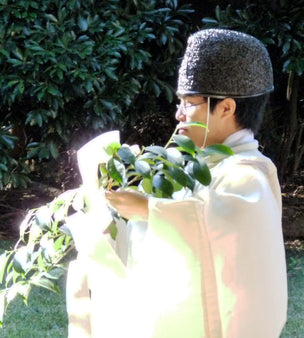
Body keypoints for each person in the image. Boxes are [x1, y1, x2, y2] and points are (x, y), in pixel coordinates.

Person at [66, 28, 287, 338]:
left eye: (189, 103)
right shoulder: (192, 167)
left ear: (226, 107)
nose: (179, 115)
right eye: (179, 103)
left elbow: (227, 223)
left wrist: (150, 211)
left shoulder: (248, 174)